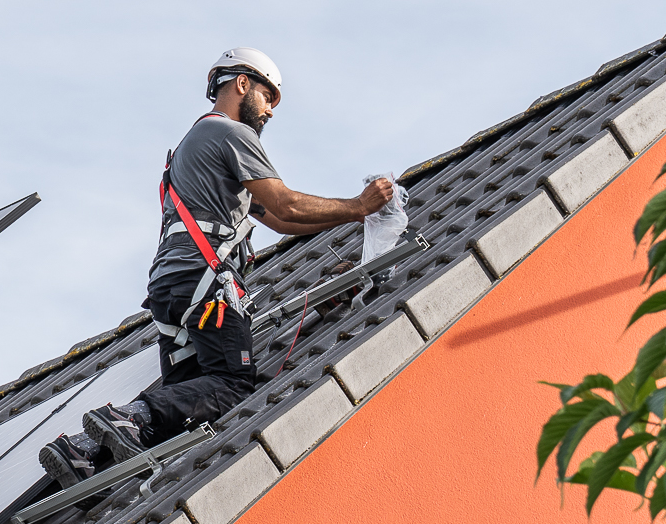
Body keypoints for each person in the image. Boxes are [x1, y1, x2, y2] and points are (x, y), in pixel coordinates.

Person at [40, 48, 398, 486]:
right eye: (269, 96)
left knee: (189, 400)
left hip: (173, 288)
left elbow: (282, 222)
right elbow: (283, 201)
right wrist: (359, 205)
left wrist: (353, 216)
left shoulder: (192, 151)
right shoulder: (231, 135)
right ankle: (121, 418)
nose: (270, 110)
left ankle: (81, 448)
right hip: (205, 282)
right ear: (242, 83)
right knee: (232, 384)